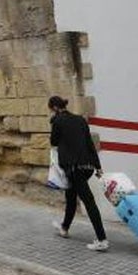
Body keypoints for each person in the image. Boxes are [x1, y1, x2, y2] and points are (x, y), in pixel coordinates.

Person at [48, 95, 109, 251]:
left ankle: (102, 240)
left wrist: (54, 122)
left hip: (74, 168)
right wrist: (98, 167)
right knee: (71, 196)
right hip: (87, 167)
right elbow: (90, 144)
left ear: (55, 108)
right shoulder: (80, 120)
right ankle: (64, 228)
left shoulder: (58, 121)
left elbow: (53, 141)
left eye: (51, 110)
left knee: (89, 201)